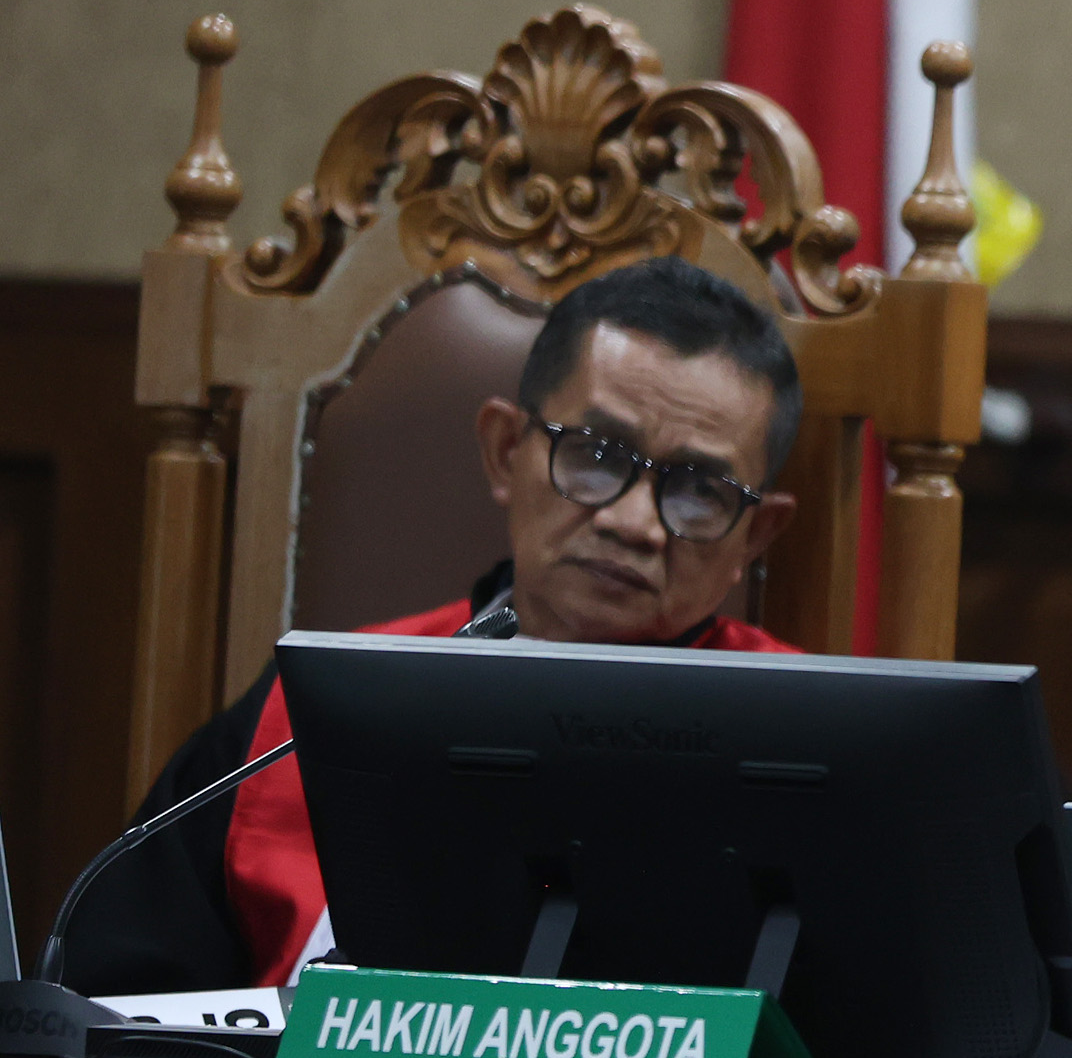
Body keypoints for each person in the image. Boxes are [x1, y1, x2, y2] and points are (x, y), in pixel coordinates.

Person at [65, 256, 804, 995]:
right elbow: (116, 1007)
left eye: (700, 490)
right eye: (596, 454)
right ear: (505, 451)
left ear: (756, 537)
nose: (634, 521)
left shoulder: (798, 743)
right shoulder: (311, 712)